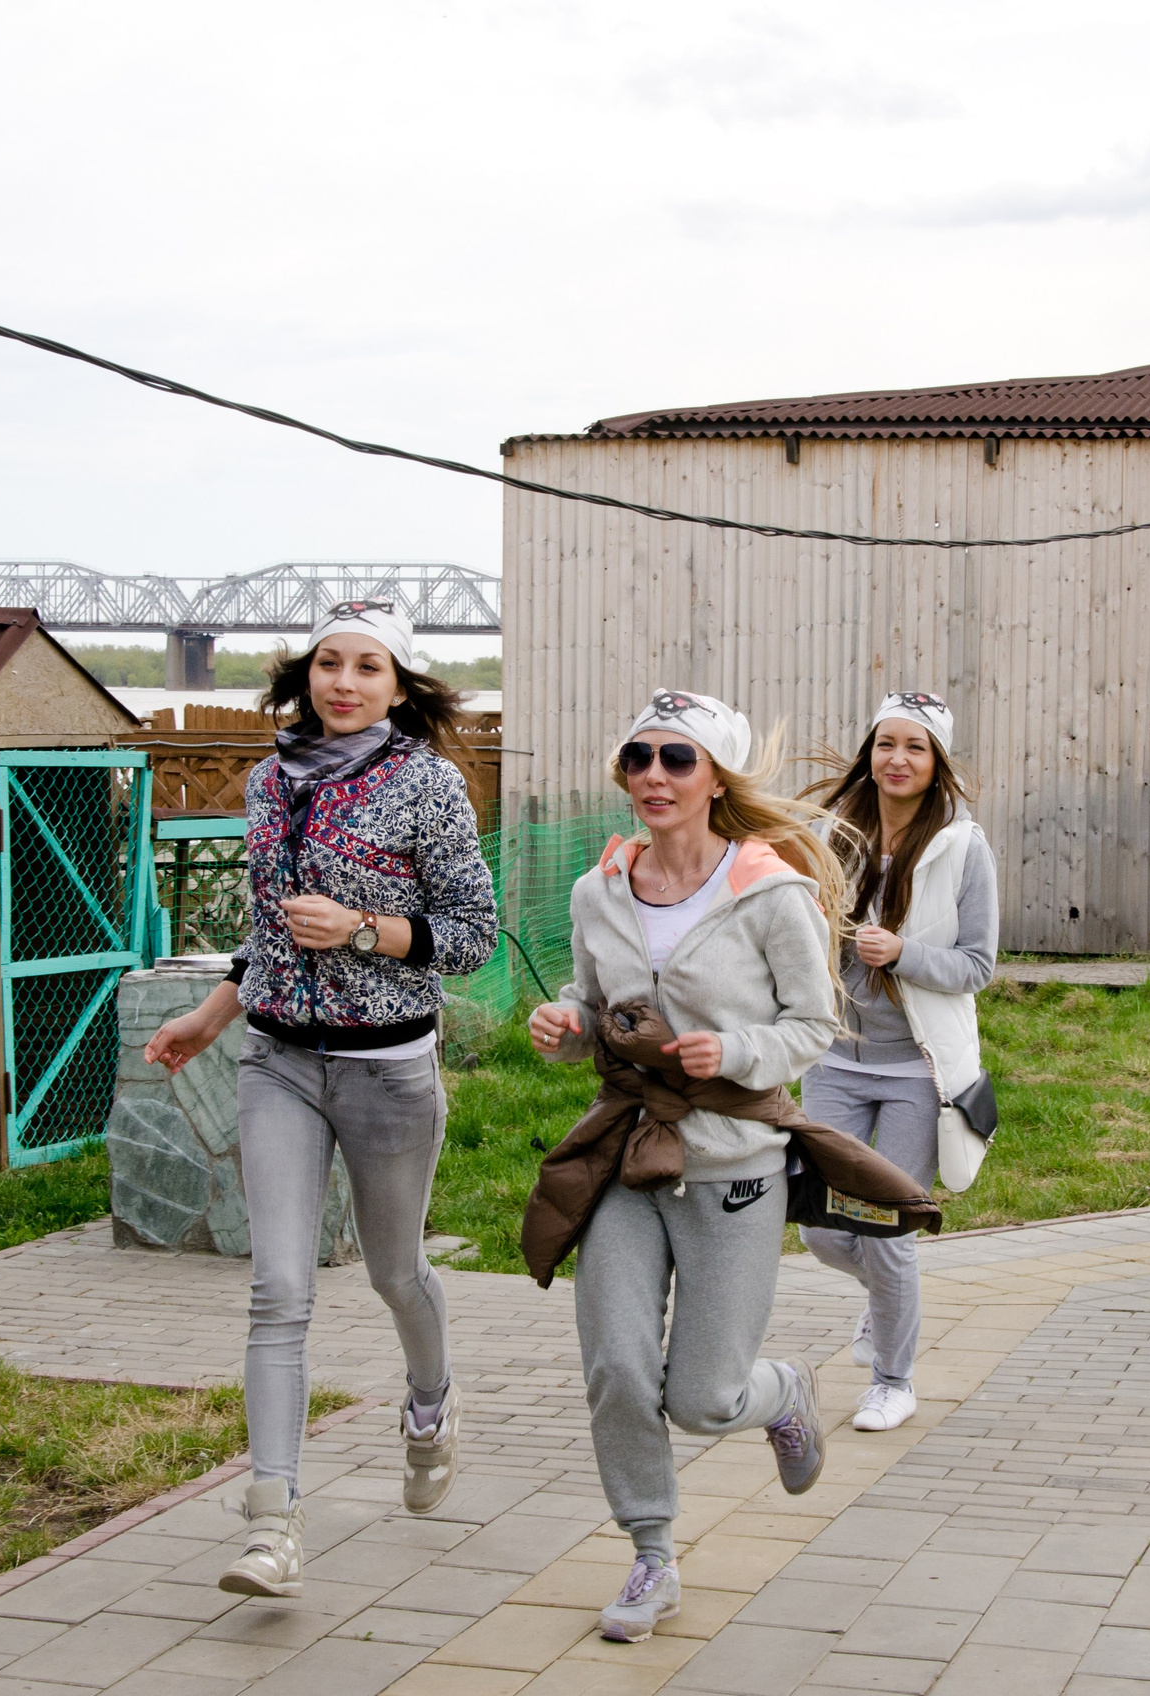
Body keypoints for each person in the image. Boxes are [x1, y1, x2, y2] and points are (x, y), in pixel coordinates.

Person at [143, 599, 495, 1599]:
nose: (342, 682)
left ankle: (429, 1402)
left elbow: (469, 932)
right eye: (327, 663)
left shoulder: (428, 786)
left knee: (394, 1272)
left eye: (367, 667)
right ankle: (272, 1524)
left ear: (398, 685)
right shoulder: (267, 782)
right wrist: (216, 1011)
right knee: (278, 1290)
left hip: (388, 1065)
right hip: (278, 1061)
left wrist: (357, 930)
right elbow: (268, 924)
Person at [526, 690, 854, 1644]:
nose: (654, 777)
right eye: (639, 758)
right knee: (619, 1370)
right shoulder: (599, 891)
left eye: (678, 759)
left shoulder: (770, 892)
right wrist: (563, 1027)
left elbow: (814, 1026)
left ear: (717, 778)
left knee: (703, 1398)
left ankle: (784, 1392)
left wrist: (738, 1051)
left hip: (733, 1164)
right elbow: (595, 1012)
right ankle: (652, 1555)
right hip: (632, 1155)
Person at [800, 691, 997, 1435]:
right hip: (836, 1057)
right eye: (887, 743)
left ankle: (893, 1379)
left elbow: (978, 964)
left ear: (936, 762)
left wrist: (903, 953)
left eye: (915, 747)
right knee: (821, 1227)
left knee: (887, 1228)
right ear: (869, 751)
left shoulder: (960, 844)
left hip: (918, 1068)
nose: (898, 759)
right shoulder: (831, 833)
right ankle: (888, 1299)